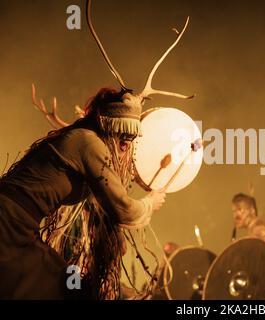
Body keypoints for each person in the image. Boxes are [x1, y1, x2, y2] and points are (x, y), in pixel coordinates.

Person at [0, 88, 166, 299]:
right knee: (63, 283)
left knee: (66, 280)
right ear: (109, 125)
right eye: (122, 135)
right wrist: (150, 202)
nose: (125, 144)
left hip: (17, 224)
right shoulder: (89, 142)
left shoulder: (84, 140)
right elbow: (123, 210)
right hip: (10, 223)